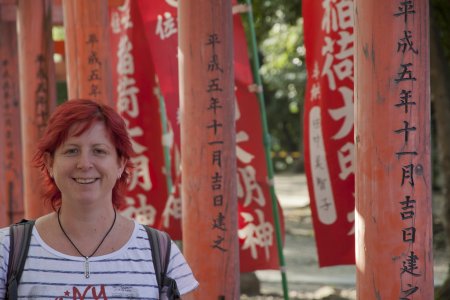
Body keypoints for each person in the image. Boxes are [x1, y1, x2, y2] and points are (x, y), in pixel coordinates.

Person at [0, 99, 198, 299]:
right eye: (71, 151)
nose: (85, 164)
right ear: (50, 163)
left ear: (120, 163)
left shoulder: (162, 253)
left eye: (99, 151)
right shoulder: (8, 250)